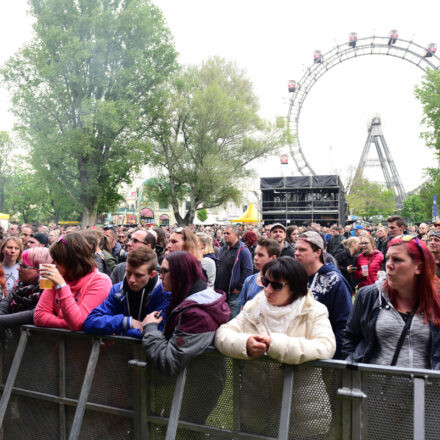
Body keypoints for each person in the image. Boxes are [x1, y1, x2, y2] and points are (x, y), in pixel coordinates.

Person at [215, 257, 336, 438]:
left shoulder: (314, 310)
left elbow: (325, 346)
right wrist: (245, 344)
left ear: (295, 287)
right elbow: (223, 334)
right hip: (256, 407)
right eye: (265, 282)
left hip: (302, 409)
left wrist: (275, 344)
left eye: (276, 285)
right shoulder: (255, 306)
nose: (267, 289)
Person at [343, 235, 440, 370]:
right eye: (388, 258)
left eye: (397, 260)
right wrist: (355, 376)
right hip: (375, 388)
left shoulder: (436, 299)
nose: (388, 264)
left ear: (419, 267)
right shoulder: (369, 296)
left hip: (426, 389)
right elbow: (350, 339)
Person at [142, 251, 229, 375]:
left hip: (194, 388)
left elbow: (169, 362)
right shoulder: (190, 298)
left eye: (164, 271)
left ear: (181, 274)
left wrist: (150, 329)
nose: (160, 276)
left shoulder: (197, 315)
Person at [84, 247, 170, 338]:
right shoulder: (118, 290)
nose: (131, 280)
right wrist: (128, 322)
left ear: (152, 275)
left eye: (138, 275)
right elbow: (91, 322)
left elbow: (158, 332)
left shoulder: (165, 293)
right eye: (128, 273)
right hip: (121, 350)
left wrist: (123, 332)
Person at [34, 232, 112, 331]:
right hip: (60, 344)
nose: (53, 264)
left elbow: (77, 323)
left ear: (72, 261)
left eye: (57, 260)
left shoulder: (100, 281)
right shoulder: (59, 276)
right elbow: (39, 316)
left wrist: (61, 286)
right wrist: (66, 324)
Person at [294, 231, 352, 359]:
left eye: (302, 249)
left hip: (324, 355)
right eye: (296, 249)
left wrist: (336, 360)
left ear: (318, 252)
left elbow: (344, 324)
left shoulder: (335, 281)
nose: (297, 253)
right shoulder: (294, 277)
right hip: (296, 352)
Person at [0, 248, 52, 329]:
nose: (18, 268)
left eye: (23, 266)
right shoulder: (20, 284)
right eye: (20, 263)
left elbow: (32, 314)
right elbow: (5, 302)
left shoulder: (48, 289)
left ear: (39, 271)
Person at [215, 225, 253, 318]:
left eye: (228, 233)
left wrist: (238, 287)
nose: (225, 235)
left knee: (232, 321)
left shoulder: (243, 250)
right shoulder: (223, 248)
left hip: (233, 295)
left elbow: (248, 271)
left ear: (236, 235)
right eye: (224, 233)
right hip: (222, 293)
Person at [238, 237, 280, 308]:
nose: (255, 258)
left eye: (260, 255)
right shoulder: (249, 281)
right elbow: (243, 309)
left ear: (273, 258)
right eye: (255, 254)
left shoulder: (282, 283)